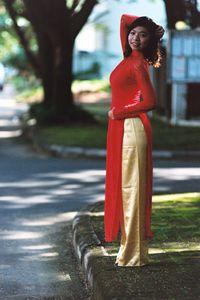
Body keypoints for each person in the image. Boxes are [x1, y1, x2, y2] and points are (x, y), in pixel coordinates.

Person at [104, 14, 164, 267]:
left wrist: (120, 112)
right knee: (126, 189)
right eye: (132, 33)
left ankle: (134, 254)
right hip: (122, 128)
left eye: (143, 35)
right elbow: (123, 21)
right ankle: (129, 250)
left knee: (132, 191)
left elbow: (150, 101)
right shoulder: (128, 60)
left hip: (131, 128)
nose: (135, 38)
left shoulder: (138, 64)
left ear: (150, 41)